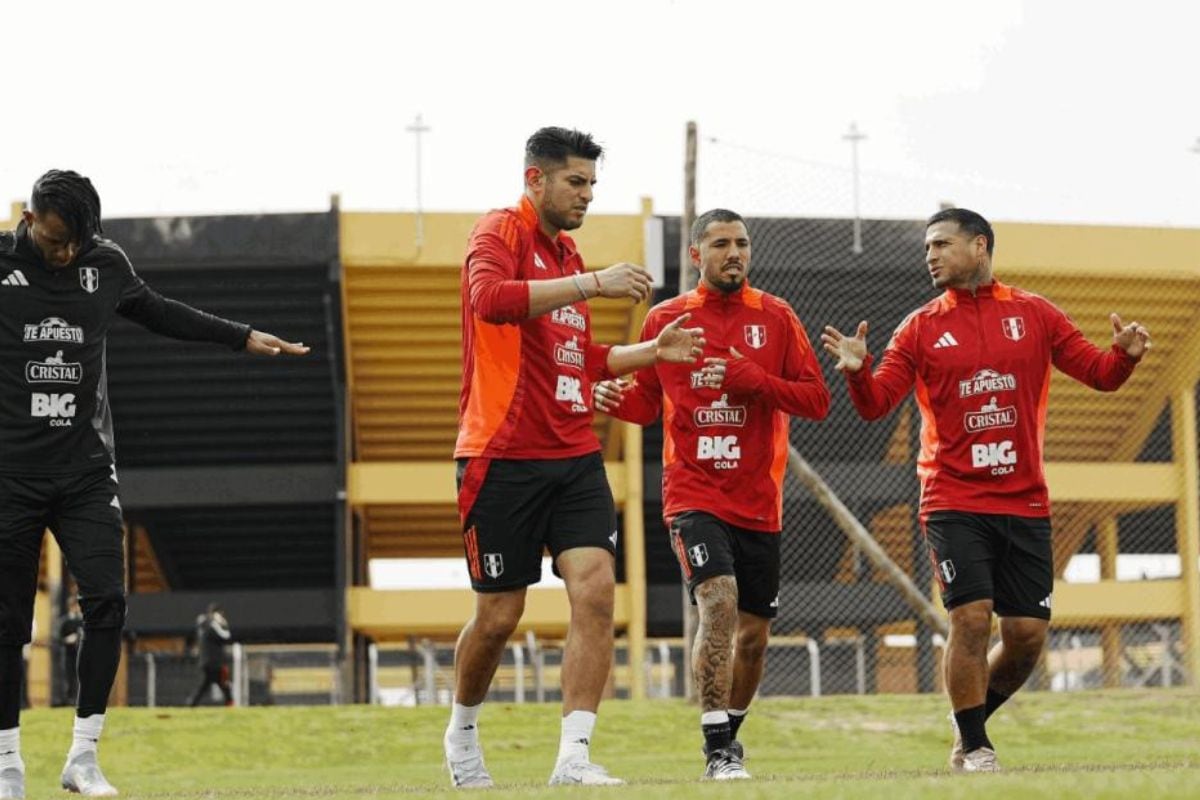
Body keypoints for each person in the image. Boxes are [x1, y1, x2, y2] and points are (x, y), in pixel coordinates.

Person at [0, 170, 309, 799]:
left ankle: (83, 757)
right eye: (55, 241)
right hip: (11, 474)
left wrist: (240, 336)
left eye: (74, 245)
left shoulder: (104, 262)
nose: (64, 254)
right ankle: (7, 764)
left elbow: (159, 312)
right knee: (8, 623)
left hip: (85, 470)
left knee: (109, 602)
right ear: (29, 220)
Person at [820, 208, 1150, 773]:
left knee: (1024, 637)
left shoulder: (1035, 313)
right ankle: (974, 746)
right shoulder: (919, 326)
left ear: (980, 247)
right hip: (952, 499)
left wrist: (1124, 354)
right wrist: (856, 370)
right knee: (971, 618)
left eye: (943, 245)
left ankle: (966, 716)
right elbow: (876, 405)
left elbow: (1100, 373)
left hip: (1024, 499)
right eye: (927, 247)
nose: (931, 255)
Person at [445, 127, 706, 789]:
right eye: (576, 182)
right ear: (535, 179)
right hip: (500, 456)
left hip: (573, 454)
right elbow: (490, 301)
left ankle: (574, 757)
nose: (587, 195)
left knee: (594, 592)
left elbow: (575, 358)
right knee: (500, 615)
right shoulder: (499, 232)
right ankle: (462, 731)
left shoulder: (567, 256)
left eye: (592, 184)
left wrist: (651, 354)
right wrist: (593, 284)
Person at [593, 208, 830, 780]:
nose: (735, 254)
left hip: (759, 500)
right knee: (718, 600)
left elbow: (816, 400)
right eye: (721, 243)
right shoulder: (667, 319)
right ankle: (717, 750)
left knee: (753, 637)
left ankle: (729, 736)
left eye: (743, 244)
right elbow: (648, 402)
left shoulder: (776, 317)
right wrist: (614, 399)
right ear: (696, 254)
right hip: (693, 492)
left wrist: (754, 381)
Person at [188, 604, 233, 707]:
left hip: (206, 661)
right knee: (223, 683)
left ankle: (192, 704)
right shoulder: (212, 625)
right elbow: (226, 636)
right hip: (215, 662)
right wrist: (224, 625)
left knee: (208, 684)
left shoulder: (203, 624)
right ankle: (230, 702)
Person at [57, 597, 84, 707]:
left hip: (80, 653)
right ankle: (68, 699)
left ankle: (78, 699)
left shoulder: (81, 621)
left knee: (79, 676)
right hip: (68, 653)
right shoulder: (65, 621)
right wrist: (67, 639)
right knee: (68, 676)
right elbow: (58, 638)